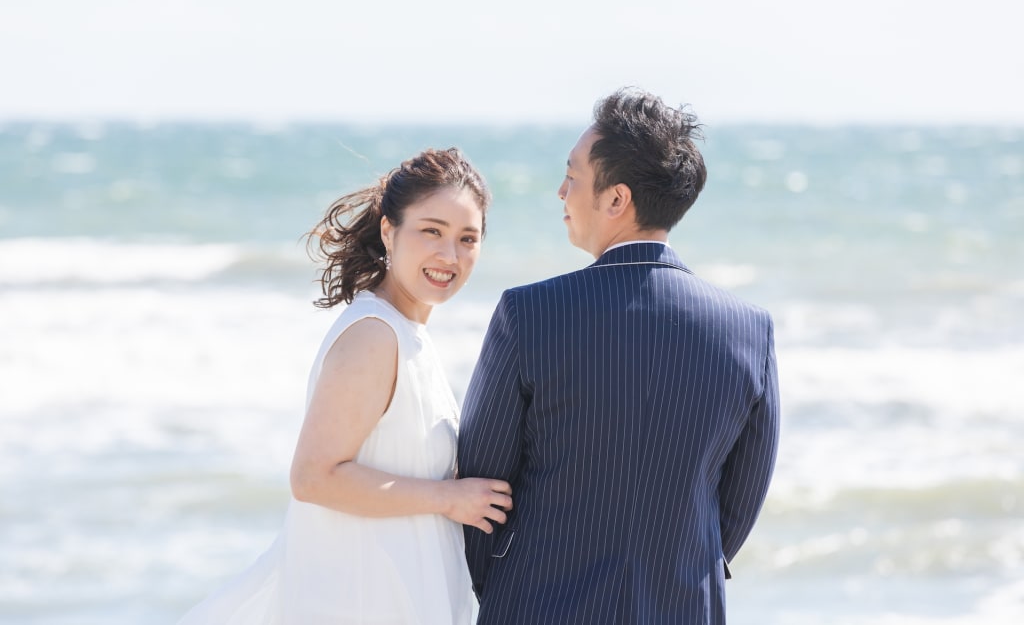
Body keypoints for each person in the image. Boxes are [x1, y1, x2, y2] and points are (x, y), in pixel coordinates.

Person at [458, 88, 781, 624]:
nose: (560, 190)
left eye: (573, 175)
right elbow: (736, 513)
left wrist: (507, 591)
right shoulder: (749, 330)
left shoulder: (528, 312)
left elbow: (481, 490)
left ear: (616, 200)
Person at [178, 148, 513, 625]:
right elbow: (313, 476)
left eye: (467, 238)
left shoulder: (409, 335)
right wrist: (450, 498)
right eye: (432, 231)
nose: (449, 255)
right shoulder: (376, 336)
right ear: (388, 231)